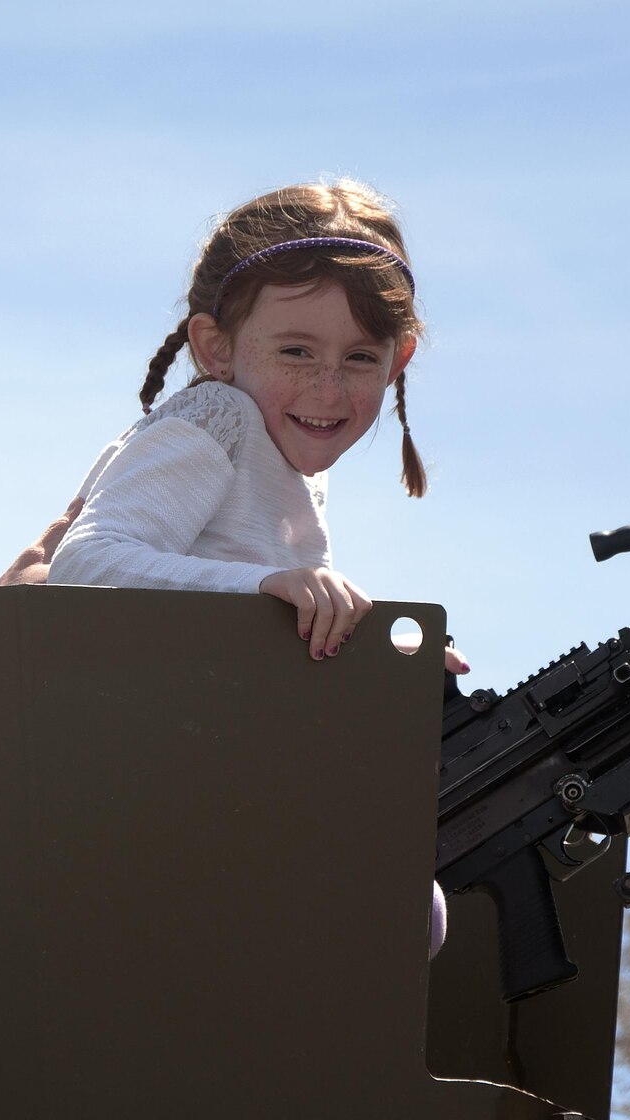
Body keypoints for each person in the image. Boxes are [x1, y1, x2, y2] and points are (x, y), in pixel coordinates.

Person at [43, 179, 458, 954]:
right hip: (146, 775)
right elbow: (85, 566)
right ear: (216, 347)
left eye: (360, 358)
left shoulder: (291, 466)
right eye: (297, 351)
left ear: (398, 361)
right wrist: (268, 587)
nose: (328, 389)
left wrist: (387, 655)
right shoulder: (218, 417)